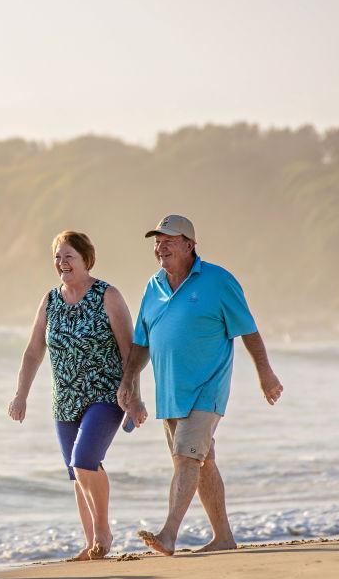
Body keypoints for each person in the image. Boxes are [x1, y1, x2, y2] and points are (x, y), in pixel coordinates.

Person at [118, 215, 283, 556]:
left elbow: (248, 330)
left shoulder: (218, 281)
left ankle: (168, 535)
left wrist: (265, 373)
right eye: (156, 241)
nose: (160, 246)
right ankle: (223, 537)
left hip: (207, 388)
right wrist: (129, 385)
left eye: (168, 240)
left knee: (186, 459)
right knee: (201, 461)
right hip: (170, 394)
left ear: (189, 245)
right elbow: (141, 344)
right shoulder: (153, 287)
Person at [8, 231, 135, 560]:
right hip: (64, 400)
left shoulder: (108, 295)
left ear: (86, 260)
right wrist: (21, 395)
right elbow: (34, 351)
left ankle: (103, 531)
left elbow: (129, 350)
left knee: (84, 461)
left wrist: (133, 394)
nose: (62, 263)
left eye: (69, 257)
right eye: (57, 257)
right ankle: (91, 542)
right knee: (77, 474)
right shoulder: (50, 300)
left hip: (106, 394)